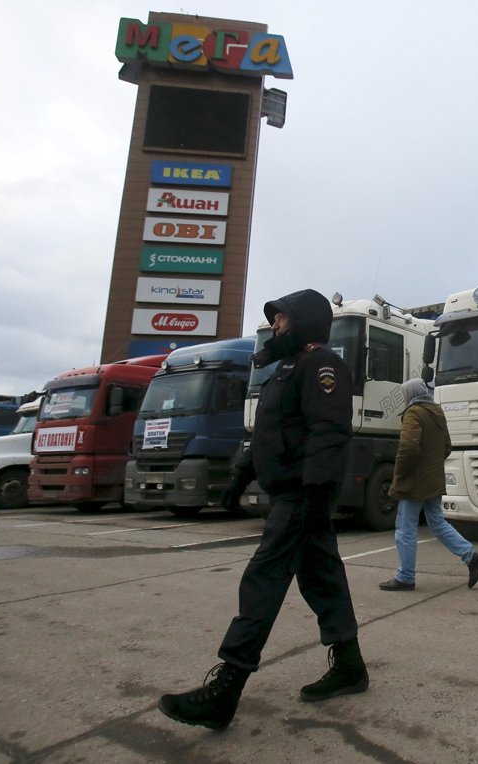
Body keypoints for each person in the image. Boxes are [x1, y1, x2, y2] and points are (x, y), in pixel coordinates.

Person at [158, 288, 367, 731]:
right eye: (274, 319)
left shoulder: (321, 363)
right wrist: (239, 476)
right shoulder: (283, 368)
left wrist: (315, 496)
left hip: (299, 495)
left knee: (262, 582)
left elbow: (329, 434)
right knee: (322, 579)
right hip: (291, 493)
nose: (275, 325)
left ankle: (225, 689)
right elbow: (267, 432)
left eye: (283, 318)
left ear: (305, 321)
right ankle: (350, 667)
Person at [379, 378, 478, 592]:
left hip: (414, 482)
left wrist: (399, 475)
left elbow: (408, 447)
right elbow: (447, 447)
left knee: (405, 528)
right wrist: (431, 464)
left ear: (409, 395)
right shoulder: (437, 413)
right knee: (437, 522)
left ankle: (405, 577)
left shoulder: (413, 413)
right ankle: (471, 555)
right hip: (434, 479)